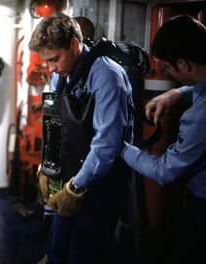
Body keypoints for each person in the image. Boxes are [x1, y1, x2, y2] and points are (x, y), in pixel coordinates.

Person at [29, 13, 134, 263]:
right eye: (47, 62)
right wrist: (48, 166)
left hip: (102, 181)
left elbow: (106, 145)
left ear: (74, 44)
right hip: (71, 175)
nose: (52, 68)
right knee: (56, 249)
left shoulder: (107, 76)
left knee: (82, 253)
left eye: (55, 59)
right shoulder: (60, 72)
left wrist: (75, 187)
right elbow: (57, 122)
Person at [121, 15, 206, 264]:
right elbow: (198, 87)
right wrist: (176, 93)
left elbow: (165, 171)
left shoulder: (199, 117)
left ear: (183, 64)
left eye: (168, 69)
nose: (168, 73)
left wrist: (122, 148)